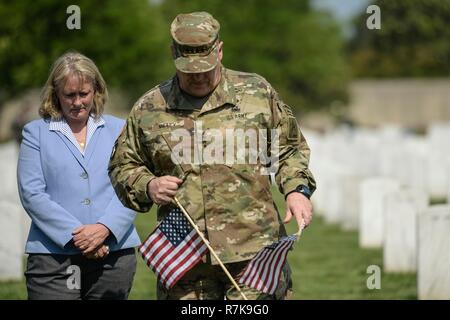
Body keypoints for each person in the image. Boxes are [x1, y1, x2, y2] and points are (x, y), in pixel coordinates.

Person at [108, 11, 316, 300]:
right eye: (189, 70)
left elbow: (289, 147)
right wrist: (148, 185)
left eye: (205, 67)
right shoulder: (149, 108)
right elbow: (123, 164)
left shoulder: (256, 92)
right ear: (173, 54)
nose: (199, 77)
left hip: (253, 252)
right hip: (186, 257)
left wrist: (297, 190)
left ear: (220, 50)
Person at [17, 52, 141, 300]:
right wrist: (81, 238)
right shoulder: (35, 133)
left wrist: (105, 228)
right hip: (52, 257)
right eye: (69, 95)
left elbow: (132, 185)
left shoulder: (120, 129)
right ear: (56, 94)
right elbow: (32, 194)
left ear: (96, 90)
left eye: (83, 94)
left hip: (113, 254)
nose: (77, 102)